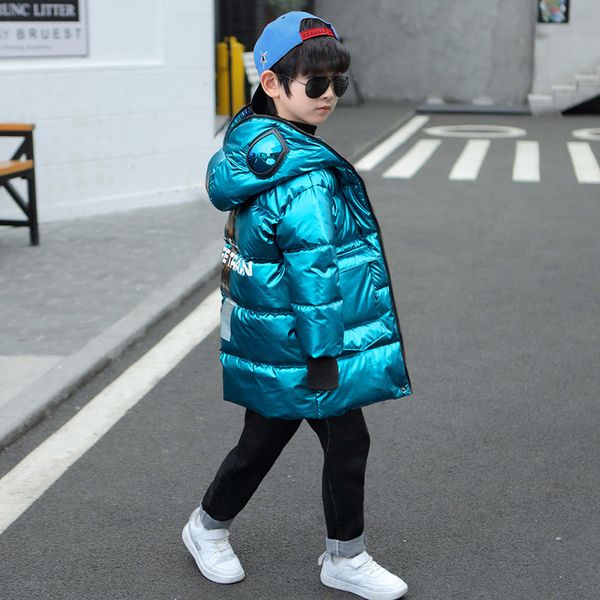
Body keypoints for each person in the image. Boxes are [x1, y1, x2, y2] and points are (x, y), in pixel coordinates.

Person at [182, 11, 412, 600]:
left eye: (339, 82)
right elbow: (314, 272)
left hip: (277, 333)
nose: (330, 94)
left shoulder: (261, 145)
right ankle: (341, 557)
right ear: (272, 83)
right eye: (317, 83)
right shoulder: (301, 172)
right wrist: (324, 353)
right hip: (303, 342)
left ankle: (211, 527)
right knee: (336, 439)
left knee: (271, 437)